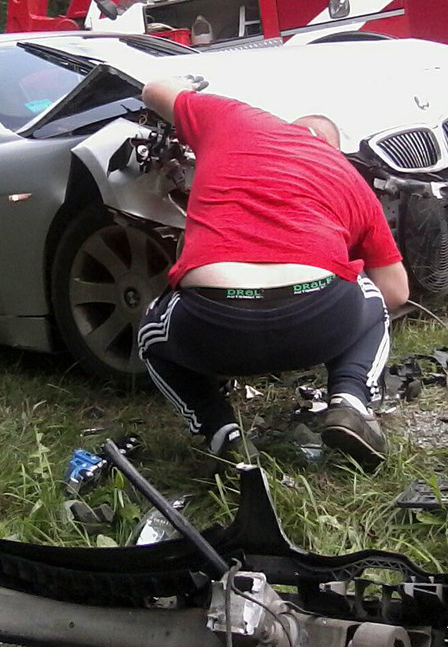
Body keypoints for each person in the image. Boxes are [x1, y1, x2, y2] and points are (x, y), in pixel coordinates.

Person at [137, 75, 409, 472]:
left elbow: (152, 90)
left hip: (213, 324)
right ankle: (350, 403)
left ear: (288, 124)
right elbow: (396, 292)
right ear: (333, 148)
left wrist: (185, 84)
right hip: (317, 319)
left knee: (151, 336)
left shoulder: (232, 117)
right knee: (369, 296)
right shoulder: (349, 176)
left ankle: (221, 434)